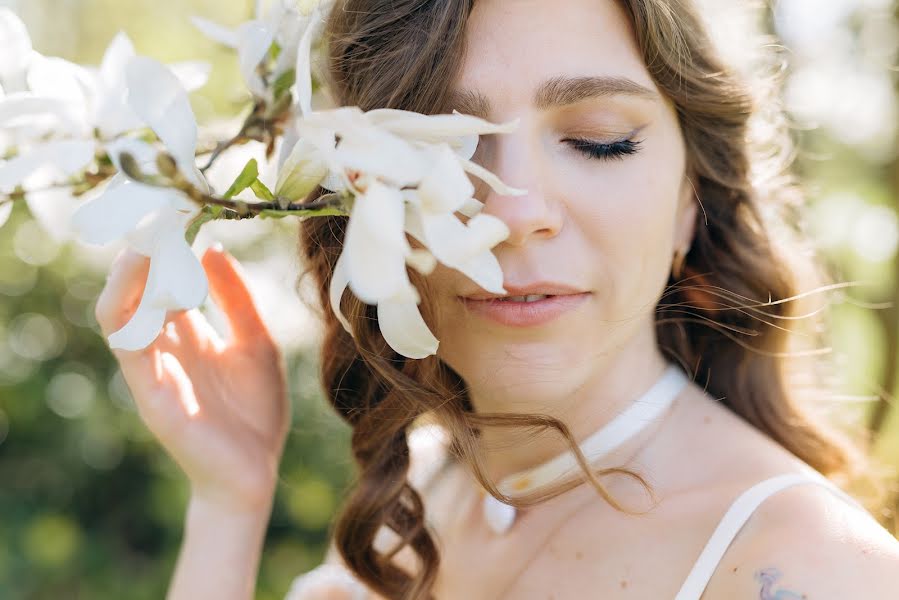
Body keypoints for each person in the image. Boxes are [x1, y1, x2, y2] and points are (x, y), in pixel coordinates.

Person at [95, 0, 899, 599]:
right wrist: (229, 505)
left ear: (690, 195)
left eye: (598, 141)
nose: (514, 210)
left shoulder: (807, 567)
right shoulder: (421, 499)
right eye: (446, 144)